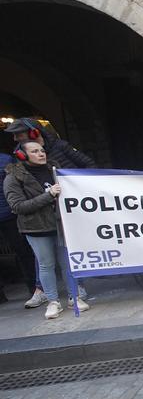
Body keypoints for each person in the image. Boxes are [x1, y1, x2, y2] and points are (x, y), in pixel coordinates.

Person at [3, 141, 90, 319]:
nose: (41, 154)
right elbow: (18, 206)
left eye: (42, 150)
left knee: (67, 263)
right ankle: (53, 302)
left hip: (61, 225)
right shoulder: (13, 177)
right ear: (22, 155)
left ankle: (75, 297)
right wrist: (48, 195)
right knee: (46, 264)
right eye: (34, 151)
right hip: (36, 228)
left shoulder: (55, 170)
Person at [0, 151, 40, 306]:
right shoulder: (5, 159)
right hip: (10, 212)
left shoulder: (5, 160)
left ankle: (34, 288)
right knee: (23, 251)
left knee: (24, 251)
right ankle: (33, 288)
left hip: (9, 212)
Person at [5, 117, 96, 169]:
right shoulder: (20, 155)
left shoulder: (60, 146)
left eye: (19, 135)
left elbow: (89, 164)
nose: (15, 139)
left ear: (34, 133)